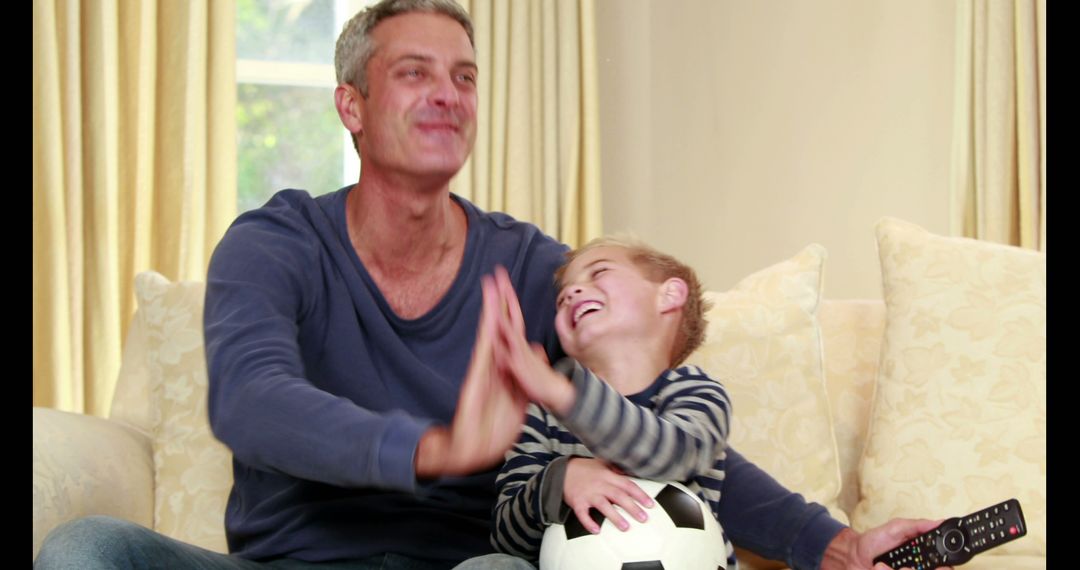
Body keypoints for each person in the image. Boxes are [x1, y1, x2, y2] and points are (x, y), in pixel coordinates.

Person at [33, 1, 947, 569]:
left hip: (470, 569)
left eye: (465, 77)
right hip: (289, 566)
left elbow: (659, 429)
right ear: (352, 105)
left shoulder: (530, 268)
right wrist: (434, 447)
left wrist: (825, 543)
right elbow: (253, 400)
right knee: (83, 552)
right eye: (415, 72)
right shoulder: (276, 243)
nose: (448, 93)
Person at [485, 237, 738, 569]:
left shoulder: (695, 390)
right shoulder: (540, 414)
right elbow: (507, 536)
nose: (571, 293)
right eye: (562, 297)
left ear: (669, 295)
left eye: (599, 272)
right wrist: (559, 481)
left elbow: (675, 453)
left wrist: (566, 395)